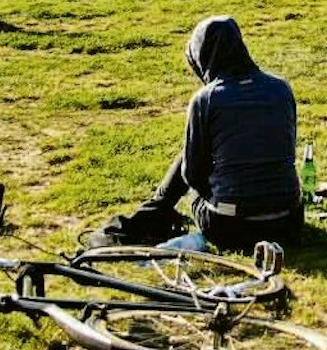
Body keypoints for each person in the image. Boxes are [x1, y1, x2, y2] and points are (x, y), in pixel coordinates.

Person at [95, 17, 300, 252]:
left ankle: (158, 209)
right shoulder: (280, 88)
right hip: (289, 222)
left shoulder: (207, 99)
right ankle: (160, 207)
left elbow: (192, 173)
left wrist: (217, 192)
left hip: (232, 225)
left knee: (193, 167)